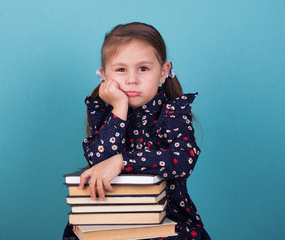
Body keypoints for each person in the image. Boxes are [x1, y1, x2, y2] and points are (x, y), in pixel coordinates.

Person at [63, 22, 210, 240]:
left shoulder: (172, 113)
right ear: (104, 75)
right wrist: (119, 108)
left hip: (166, 218)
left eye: (143, 68)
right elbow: (100, 159)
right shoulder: (103, 112)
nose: (132, 79)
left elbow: (182, 160)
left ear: (163, 72)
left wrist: (123, 161)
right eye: (121, 69)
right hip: (108, 215)